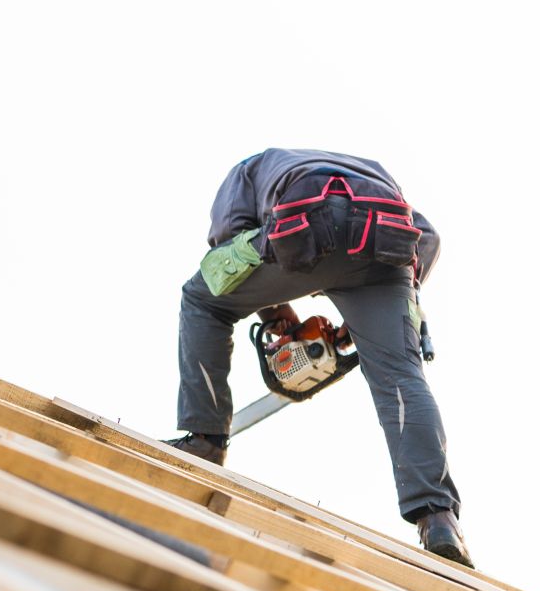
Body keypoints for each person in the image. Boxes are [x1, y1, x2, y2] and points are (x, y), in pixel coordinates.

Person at [165, 149, 471, 567]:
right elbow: (426, 236)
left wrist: (273, 312)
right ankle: (438, 521)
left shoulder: (250, 169)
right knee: (401, 375)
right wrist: (391, 307)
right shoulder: (372, 171)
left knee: (201, 300)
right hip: (384, 241)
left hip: (305, 223)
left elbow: (227, 248)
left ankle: (205, 440)